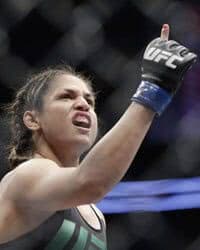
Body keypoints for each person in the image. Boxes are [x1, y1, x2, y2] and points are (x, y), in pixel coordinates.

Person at [0, 24, 196, 250]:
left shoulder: (92, 212)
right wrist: (153, 90)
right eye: (66, 97)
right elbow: (90, 182)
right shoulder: (29, 175)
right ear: (33, 120)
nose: (83, 104)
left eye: (90, 101)